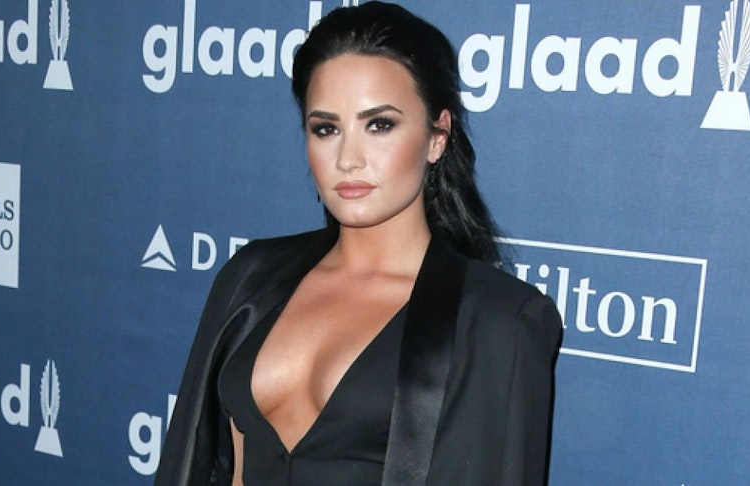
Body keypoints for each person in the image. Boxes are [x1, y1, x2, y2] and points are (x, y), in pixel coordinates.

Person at [155, 2, 562, 485]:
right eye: (326, 129)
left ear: (437, 136)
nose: (348, 158)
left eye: (379, 124)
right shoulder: (250, 278)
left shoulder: (497, 320)